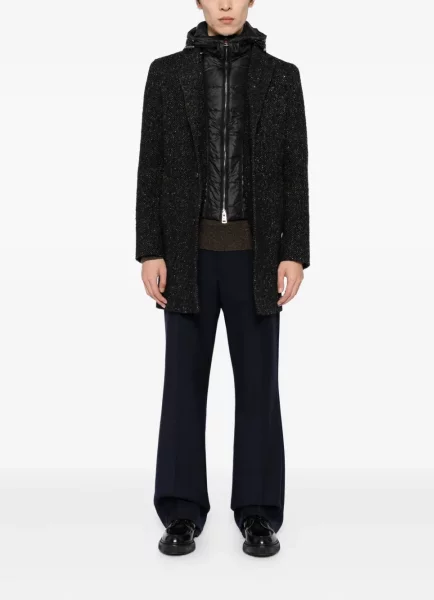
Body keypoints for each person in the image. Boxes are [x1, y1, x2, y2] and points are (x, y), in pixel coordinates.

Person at [135, 0, 309, 557]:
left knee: (258, 387)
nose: (226, 4)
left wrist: (294, 252)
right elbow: (151, 164)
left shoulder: (282, 77)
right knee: (183, 387)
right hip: (186, 258)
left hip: (257, 258)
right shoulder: (167, 74)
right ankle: (181, 510)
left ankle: (258, 513)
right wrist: (150, 250)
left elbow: (295, 168)